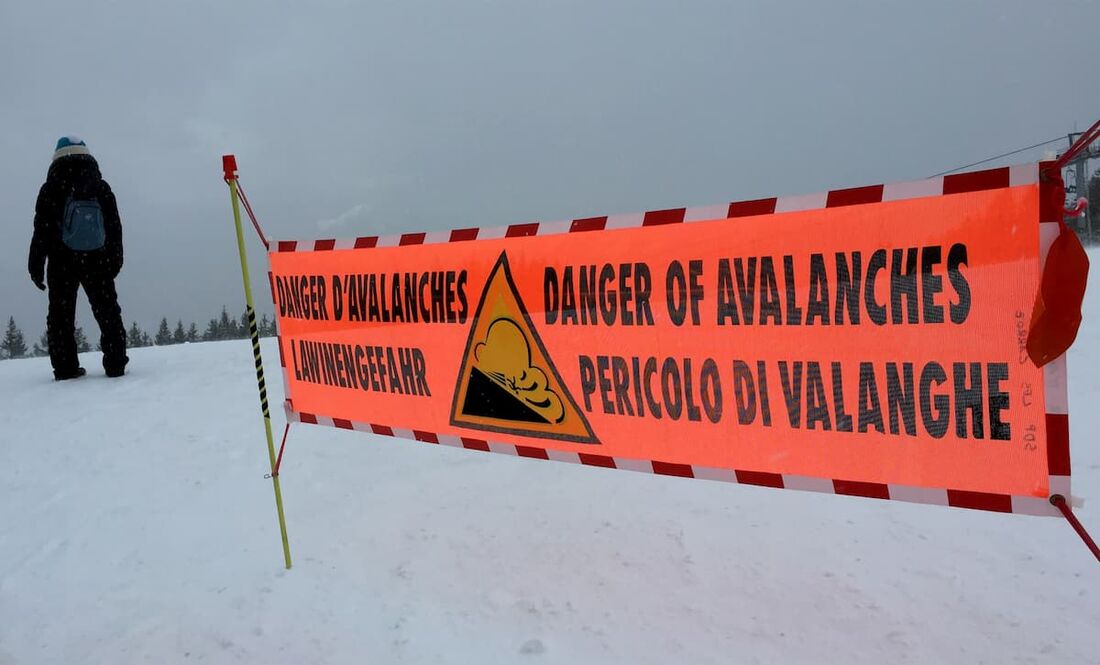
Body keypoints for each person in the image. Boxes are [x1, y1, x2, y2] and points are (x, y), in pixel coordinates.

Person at [28, 136, 128, 380]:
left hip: (61, 260)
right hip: (98, 257)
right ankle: (115, 364)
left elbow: (41, 230)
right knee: (107, 311)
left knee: (61, 316)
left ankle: (65, 368)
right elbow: (114, 227)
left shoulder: (51, 187)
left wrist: (36, 265)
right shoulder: (100, 187)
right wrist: (115, 259)